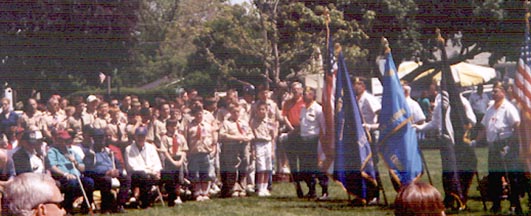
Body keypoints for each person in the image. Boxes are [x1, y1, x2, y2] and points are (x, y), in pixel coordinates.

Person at [473, 82, 522, 214]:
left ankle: (515, 205)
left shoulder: (508, 107)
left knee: (511, 176)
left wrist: (511, 144)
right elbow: (484, 127)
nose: (493, 94)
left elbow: (516, 124)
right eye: (493, 92)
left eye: (496, 91)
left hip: (505, 145)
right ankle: (496, 204)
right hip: (493, 146)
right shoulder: (490, 108)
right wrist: (475, 141)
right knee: (494, 176)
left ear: (503, 92)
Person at [46, 130, 94, 214]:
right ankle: (68, 208)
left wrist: (75, 162)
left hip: (77, 177)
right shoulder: (52, 151)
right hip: (62, 177)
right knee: (72, 183)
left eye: (68, 140)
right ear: (58, 140)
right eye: (64, 140)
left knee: (89, 182)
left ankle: (86, 207)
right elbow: (52, 167)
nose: (67, 142)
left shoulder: (72, 152)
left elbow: (82, 168)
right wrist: (65, 174)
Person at [84, 129, 129, 213]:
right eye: (99, 138)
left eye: (102, 138)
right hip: (97, 177)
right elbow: (88, 170)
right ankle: (105, 207)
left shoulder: (108, 151)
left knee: (126, 178)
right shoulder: (90, 153)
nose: (101, 141)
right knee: (106, 180)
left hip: (112, 173)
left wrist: (117, 171)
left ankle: (119, 204)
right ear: (94, 139)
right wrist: (105, 172)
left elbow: (118, 164)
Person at [219, 103, 253, 198]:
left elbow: (250, 133)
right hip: (231, 148)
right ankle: (233, 188)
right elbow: (222, 135)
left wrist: (248, 137)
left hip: (244, 147)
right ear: (230, 112)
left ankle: (242, 187)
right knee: (232, 168)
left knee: (244, 166)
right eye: (234, 111)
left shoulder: (244, 122)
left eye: (238, 111)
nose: (236, 113)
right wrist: (237, 137)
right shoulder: (226, 123)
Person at [124, 126, 162, 209]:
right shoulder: (129, 149)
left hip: (152, 173)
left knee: (168, 173)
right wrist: (151, 172)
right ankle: (146, 203)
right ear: (135, 137)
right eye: (139, 136)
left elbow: (157, 162)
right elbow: (133, 167)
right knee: (144, 176)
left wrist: (156, 171)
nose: (141, 138)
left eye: (143, 136)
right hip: (135, 175)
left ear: (146, 137)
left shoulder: (151, 147)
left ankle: (172, 199)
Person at [185, 105, 216, 201]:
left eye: (201, 114)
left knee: (205, 173)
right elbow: (186, 139)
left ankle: (205, 192)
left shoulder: (207, 125)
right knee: (195, 174)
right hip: (194, 153)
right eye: (197, 114)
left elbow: (213, 139)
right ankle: (197, 192)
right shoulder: (189, 126)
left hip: (205, 151)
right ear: (194, 115)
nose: (199, 116)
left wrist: (213, 149)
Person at [282, 82, 306, 198]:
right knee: (292, 162)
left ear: (302, 90)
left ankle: (308, 186)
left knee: (303, 161)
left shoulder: (305, 102)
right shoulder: (287, 103)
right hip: (292, 133)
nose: (296, 91)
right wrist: (290, 128)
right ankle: (297, 187)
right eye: (293, 89)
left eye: (297, 89)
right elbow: (284, 116)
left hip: (303, 133)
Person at [160, 119, 188, 206]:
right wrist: (172, 161)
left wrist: (180, 160)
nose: (173, 128)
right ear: (167, 127)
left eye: (175, 126)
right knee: (171, 180)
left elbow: (184, 149)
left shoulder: (180, 137)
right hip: (170, 160)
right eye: (171, 126)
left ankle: (178, 196)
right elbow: (164, 151)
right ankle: (171, 198)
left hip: (179, 158)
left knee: (179, 179)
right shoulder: (165, 138)